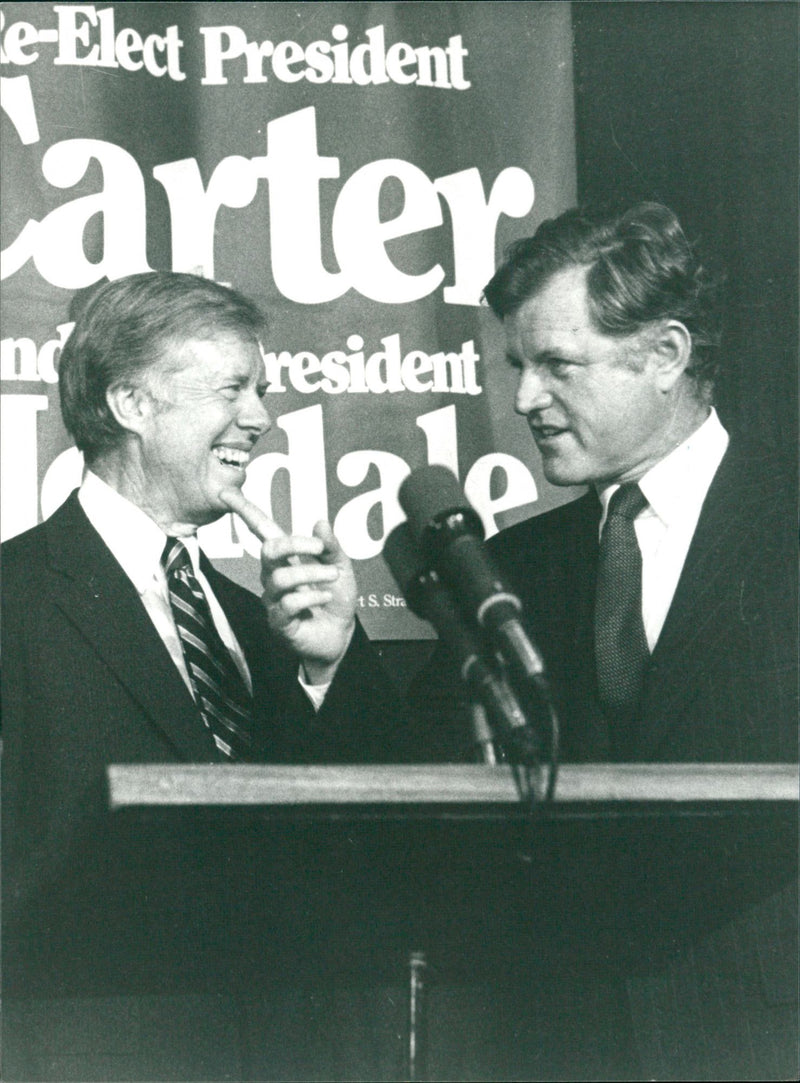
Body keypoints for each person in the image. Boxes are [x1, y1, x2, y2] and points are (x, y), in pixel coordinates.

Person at [411, 202, 797, 1080]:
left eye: (558, 365)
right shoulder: (500, 574)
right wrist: (324, 662)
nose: (524, 399)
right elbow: (412, 773)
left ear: (664, 355)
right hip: (557, 1044)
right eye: (519, 365)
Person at [1, 272, 408, 1080]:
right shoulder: (13, 595)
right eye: (234, 388)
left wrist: (329, 665)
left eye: (261, 390)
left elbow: (367, 834)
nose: (260, 417)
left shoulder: (262, 617)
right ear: (131, 404)